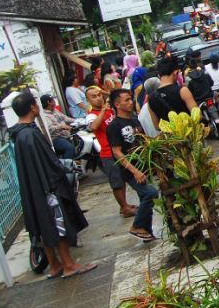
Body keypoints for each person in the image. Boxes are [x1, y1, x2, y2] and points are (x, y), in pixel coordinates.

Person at [9, 92, 95, 278]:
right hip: (47, 187)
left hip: (34, 188)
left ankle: (55, 266)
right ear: (33, 107)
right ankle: (69, 265)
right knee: (58, 224)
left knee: (44, 225)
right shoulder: (31, 134)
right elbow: (47, 163)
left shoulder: (19, 135)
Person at [106, 89, 159, 241]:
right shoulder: (114, 126)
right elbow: (117, 152)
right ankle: (137, 226)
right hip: (130, 170)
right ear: (117, 104)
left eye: (131, 99)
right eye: (127, 100)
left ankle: (145, 231)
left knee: (145, 197)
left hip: (143, 165)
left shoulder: (135, 120)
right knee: (150, 193)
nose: (130, 103)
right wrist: (134, 171)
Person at [87, 85, 138, 217]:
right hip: (107, 153)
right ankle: (124, 207)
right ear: (88, 100)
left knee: (122, 179)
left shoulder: (111, 110)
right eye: (94, 97)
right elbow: (94, 127)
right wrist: (103, 111)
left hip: (120, 150)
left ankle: (124, 205)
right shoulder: (92, 115)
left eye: (99, 95)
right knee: (117, 182)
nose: (98, 99)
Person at [147, 57, 198, 130]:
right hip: (189, 137)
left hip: (172, 140)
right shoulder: (183, 91)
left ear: (159, 75)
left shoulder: (150, 100)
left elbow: (157, 127)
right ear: (176, 72)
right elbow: (196, 115)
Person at [40, 94, 76, 159]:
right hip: (56, 138)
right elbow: (50, 129)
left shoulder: (55, 110)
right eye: (53, 100)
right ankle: (67, 166)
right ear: (49, 102)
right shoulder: (45, 116)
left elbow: (66, 118)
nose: (54, 101)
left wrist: (78, 121)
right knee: (69, 148)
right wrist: (61, 126)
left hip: (66, 135)